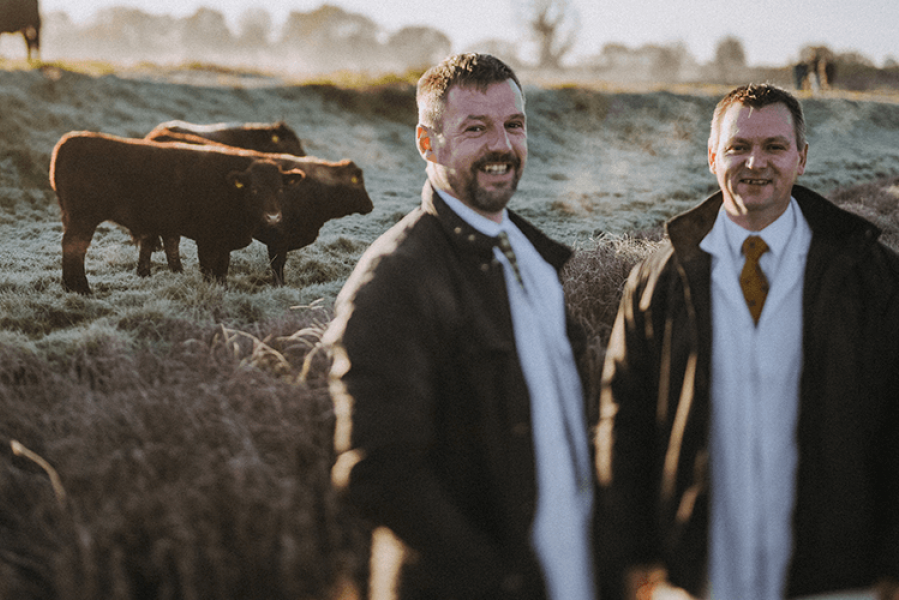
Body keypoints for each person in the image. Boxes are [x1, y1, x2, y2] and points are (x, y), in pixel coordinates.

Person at [595, 82, 899, 600]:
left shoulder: (871, 275)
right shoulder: (658, 279)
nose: (755, 162)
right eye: (738, 147)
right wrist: (630, 554)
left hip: (839, 576)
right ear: (713, 156)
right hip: (694, 574)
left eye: (774, 147)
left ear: (801, 158)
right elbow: (624, 418)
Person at [325, 53, 597, 600]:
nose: (501, 145)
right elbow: (379, 473)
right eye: (476, 128)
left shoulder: (536, 259)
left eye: (513, 125)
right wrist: (499, 581)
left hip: (571, 577)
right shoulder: (396, 278)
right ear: (429, 144)